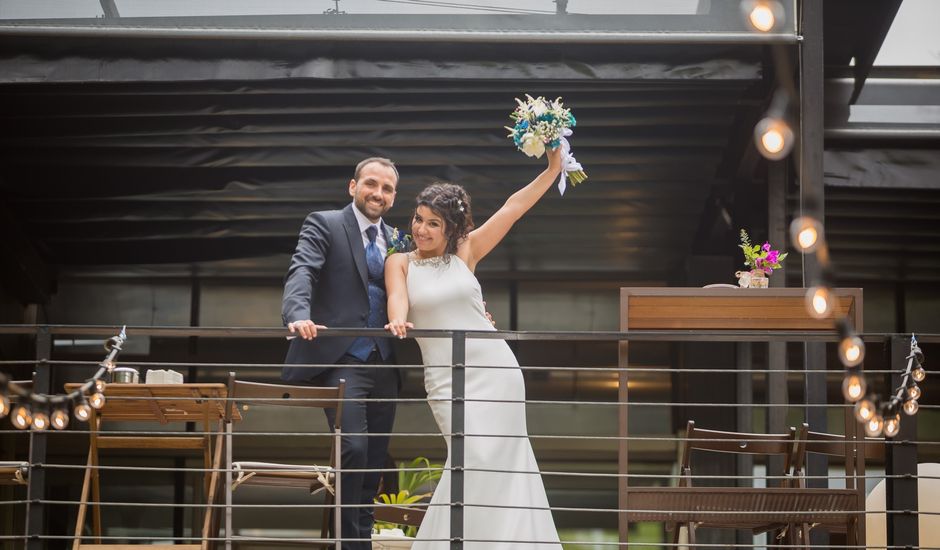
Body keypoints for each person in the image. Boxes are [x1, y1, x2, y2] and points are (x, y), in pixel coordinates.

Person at [384, 147, 564, 549]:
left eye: (433, 224)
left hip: (495, 371)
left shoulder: (466, 251)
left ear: (452, 229)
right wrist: (398, 318)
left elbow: (513, 208)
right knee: (472, 459)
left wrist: (553, 169)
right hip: (446, 377)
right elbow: (397, 296)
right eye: (419, 219)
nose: (422, 230)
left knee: (503, 462)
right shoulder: (400, 262)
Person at [281, 157, 400, 550]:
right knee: (352, 449)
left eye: (386, 188)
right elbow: (303, 270)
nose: (377, 194)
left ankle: (357, 544)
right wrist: (298, 314)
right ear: (353, 186)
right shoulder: (325, 223)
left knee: (373, 465)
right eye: (371, 184)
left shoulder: (399, 238)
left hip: (385, 362)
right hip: (341, 359)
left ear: (393, 196)